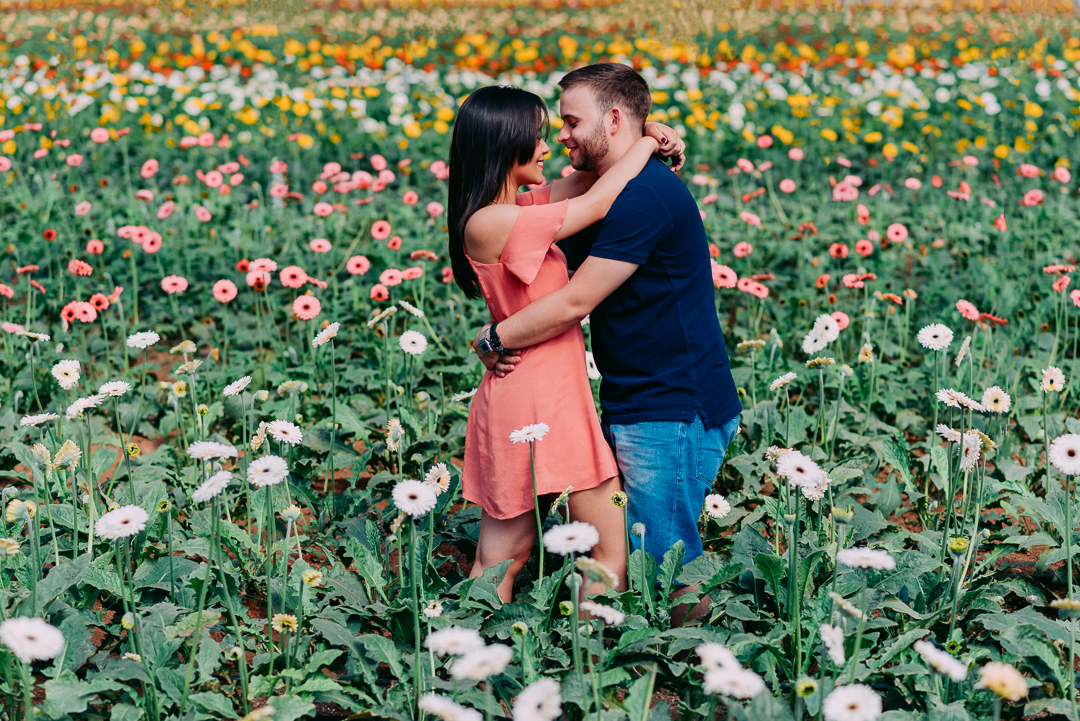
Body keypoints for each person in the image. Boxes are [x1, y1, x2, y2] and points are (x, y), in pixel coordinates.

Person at [475, 64, 742, 605]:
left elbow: (575, 301)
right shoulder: (595, 193)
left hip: (671, 408)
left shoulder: (643, 196)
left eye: (571, 122)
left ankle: (692, 656)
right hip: (627, 399)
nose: (560, 137)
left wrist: (494, 338)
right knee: (633, 557)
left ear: (614, 118)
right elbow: (578, 205)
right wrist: (647, 137)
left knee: (664, 564)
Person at [448, 84, 685, 602]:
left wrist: (641, 131)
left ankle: (464, 646)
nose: (547, 145)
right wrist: (649, 144)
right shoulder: (493, 222)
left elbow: (590, 176)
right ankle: (586, 651)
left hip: (529, 394)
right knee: (605, 557)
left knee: (500, 559)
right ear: (503, 144)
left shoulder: (516, 208)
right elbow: (598, 201)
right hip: (543, 401)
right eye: (536, 136)